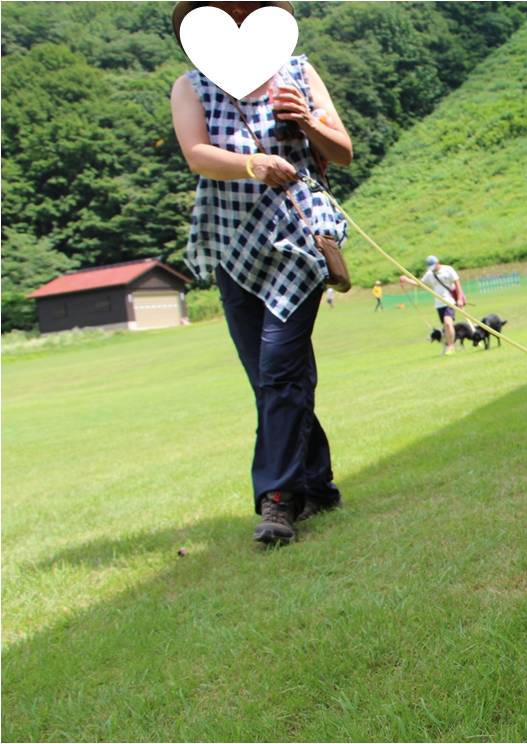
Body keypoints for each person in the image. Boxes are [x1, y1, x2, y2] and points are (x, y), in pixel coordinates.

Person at [170, 0, 354, 544]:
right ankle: (317, 483)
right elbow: (197, 154)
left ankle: (278, 500)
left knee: (278, 369)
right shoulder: (191, 85)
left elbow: (341, 152)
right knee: (272, 377)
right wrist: (252, 164)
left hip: (297, 244)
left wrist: (307, 121)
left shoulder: (298, 71)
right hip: (231, 245)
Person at [400, 256, 464, 355]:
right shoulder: (429, 274)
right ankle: (451, 344)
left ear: (438, 262)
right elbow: (420, 284)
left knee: (448, 323)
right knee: (446, 327)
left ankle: (451, 346)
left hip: (450, 301)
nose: (432, 268)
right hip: (439, 304)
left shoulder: (448, 269)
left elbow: (457, 283)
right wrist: (407, 280)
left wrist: (459, 298)